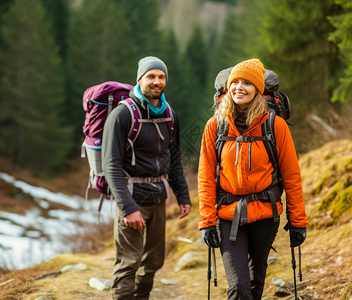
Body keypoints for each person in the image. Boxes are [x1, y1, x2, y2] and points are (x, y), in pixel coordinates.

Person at [197, 58, 308, 299]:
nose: (239, 87)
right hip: (228, 216)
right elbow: (205, 177)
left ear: (258, 89)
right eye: (235, 82)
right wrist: (207, 221)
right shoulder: (215, 126)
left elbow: (291, 176)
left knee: (256, 283)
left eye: (247, 83)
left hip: (266, 215)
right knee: (238, 287)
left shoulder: (275, 126)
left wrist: (298, 220)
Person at [102, 56, 191, 300]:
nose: (157, 81)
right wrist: (128, 207)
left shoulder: (170, 115)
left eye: (161, 77)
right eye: (151, 76)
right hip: (132, 198)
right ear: (139, 79)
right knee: (129, 263)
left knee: (153, 262)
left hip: (158, 198)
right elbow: (110, 166)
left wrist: (182, 195)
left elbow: (173, 158)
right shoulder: (122, 115)